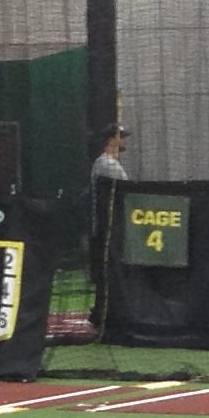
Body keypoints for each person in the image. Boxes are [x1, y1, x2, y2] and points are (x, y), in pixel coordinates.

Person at [89, 127, 129, 327]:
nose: (124, 141)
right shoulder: (107, 164)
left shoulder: (108, 163)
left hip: (109, 226)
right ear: (112, 139)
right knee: (108, 271)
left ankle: (102, 312)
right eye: (121, 137)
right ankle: (102, 315)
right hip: (108, 227)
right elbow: (125, 193)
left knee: (107, 271)